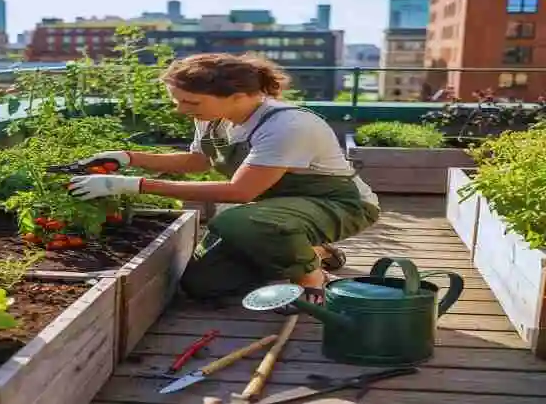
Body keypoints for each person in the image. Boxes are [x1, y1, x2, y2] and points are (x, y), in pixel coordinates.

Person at [66, 53, 380, 306]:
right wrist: (127, 157)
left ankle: (313, 282)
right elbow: (196, 161)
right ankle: (314, 252)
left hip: (341, 205)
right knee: (201, 284)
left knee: (236, 221)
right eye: (178, 100)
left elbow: (240, 192)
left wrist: (130, 185)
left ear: (239, 96)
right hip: (272, 212)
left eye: (191, 102)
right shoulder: (214, 119)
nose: (181, 110)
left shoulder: (287, 125)